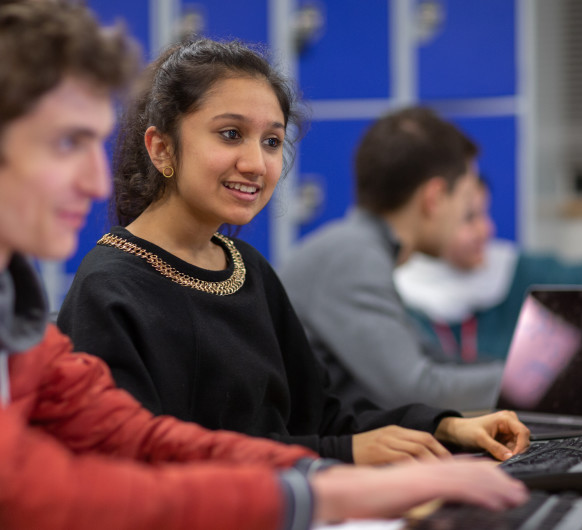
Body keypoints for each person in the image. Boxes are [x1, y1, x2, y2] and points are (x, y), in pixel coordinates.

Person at [0, 2, 531, 528]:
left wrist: (430, 433)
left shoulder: (240, 267)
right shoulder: (109, 288)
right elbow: (117, 482)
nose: (256, 162)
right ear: (162, 150)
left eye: (273, 141)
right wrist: (338, 469)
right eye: (230, 134)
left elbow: (160, 438)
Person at [279, 107, 504, 413]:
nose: (470, 220)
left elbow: (431, 359)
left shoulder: (363, 249)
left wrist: (520, 372)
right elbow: (415, 390)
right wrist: (531, 385)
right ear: (434, 198)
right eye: (465, 204)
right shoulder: (352, 257)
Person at [395, 176, 582, 362]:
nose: (486, 229)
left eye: (485, 214)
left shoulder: (510, 270)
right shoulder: (397, 296)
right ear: (432, 216)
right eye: (469, 218)